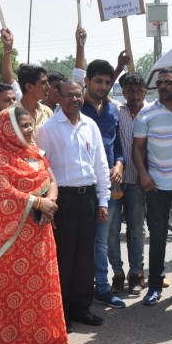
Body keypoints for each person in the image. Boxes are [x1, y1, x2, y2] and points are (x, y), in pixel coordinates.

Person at [0, 106, 69, 344]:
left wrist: (50, 202)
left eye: (30, 124)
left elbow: (51, 179)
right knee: (9, 290)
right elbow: (2, 191)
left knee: (40, 288)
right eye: (23, 126)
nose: (29, 130)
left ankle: (42, 342)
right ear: (8, 128)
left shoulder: (34, 152)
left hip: (39, 231)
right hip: (9, 236)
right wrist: (39, 203)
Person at [37, 79, 111, 328]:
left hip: (88, 196)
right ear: (58, 98)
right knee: (64, 256)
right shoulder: (48, 128)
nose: (74, 100)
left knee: (84, 256)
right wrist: (49, 201)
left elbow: (100, 164)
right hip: (63, 199)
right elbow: (42, 169)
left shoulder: (90, 125)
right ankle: (62, 311)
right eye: (69, 95)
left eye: (78, 95)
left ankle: (81, 307)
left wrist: (103, 199)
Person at [133, 68, 172, 306]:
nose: (162, 86)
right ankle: (155, 286)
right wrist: (143, 174)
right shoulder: (146, 114)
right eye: (159, 83)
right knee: (158, 236)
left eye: (168, 82)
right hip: (157, 183)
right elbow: (138, 148)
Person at [72, 30, 126, 309]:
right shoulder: (74, 108)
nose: (103, 86)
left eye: (107, 82)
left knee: (103, 240)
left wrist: (119, 164)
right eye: (98, 81)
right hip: (78, 186)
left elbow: (116, 144)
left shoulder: (114, 110)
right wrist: (80, 44)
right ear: (87, 81)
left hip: (108, 186)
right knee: (80, 241)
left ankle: (102, 288)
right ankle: (79, 290)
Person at [112, 72, 149, 295]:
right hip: (116, 181)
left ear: (145, 91)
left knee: (137, 230)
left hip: (139, 181)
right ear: (123, 92)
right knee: (112, 231)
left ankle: (136, 273)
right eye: (129, 91)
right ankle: (117, 273)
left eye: (138, 91)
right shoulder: (116, 110)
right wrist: (117, 68)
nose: (134, 95)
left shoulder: (152, 110)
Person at [14, 64, 53, 130]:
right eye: (43, 83)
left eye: (47, 82)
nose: (48, 86)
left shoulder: (48, 112)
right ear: (29, 87)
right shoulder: (9, 115)